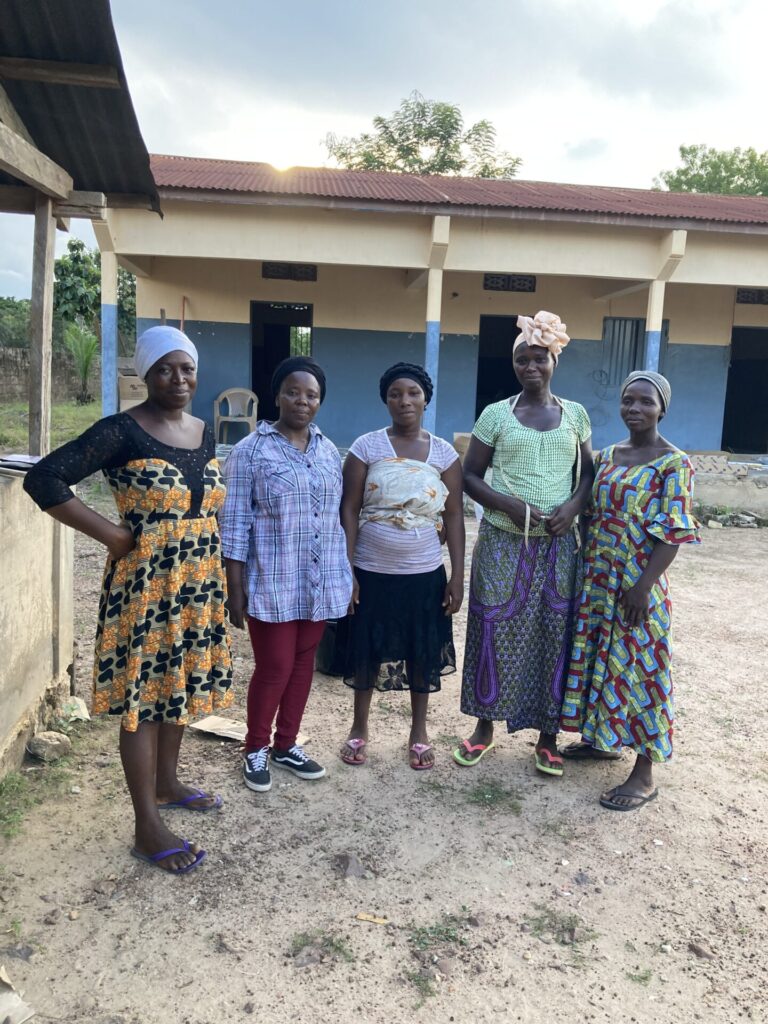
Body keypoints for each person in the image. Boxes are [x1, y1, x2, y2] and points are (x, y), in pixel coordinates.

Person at [24, 326, 232, 874]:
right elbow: (46, 478)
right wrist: (112, 536)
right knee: (144, 700)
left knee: (178, 685)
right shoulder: (121, 430)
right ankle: (146, 826)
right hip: (145, 590)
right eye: (165, 369)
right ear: (145, 374)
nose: (178, 379)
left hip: (198, 585)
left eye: (186, 368)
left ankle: (167, 784)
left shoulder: (203, 431)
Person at [455, 311, 594, 776]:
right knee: (492, 627)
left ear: (554, 361)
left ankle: (548, 737)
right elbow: (470, 476)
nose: (530, 367)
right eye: (522, 360)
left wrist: (572, 508)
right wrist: (507, 505)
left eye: (539, 358)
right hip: (503, 541)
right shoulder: (496, 414)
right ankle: (484, 727)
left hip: (558, 547)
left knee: (554, 633)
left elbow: (587, 475)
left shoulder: (575, 415)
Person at [560, 371, 700, 810]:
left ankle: (643, 774)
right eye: (628, 400)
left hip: (639, 584)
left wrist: (642, 587)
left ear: (662, 409)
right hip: (598, 582)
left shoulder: (674, 464)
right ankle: (602, 740)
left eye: (645, 402)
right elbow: (587, 513)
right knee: (600, 659)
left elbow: (673, 533)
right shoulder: (605, 457)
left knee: (641, 670)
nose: (634, 409)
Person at [221, 356, 351, 794]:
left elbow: (335, 519)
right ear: (277, 395)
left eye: (311, 395)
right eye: (293, 392)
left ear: (320, 402)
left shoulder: (328, 451)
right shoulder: (250, 452)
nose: (302, 401)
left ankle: (286, 745)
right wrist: (234, 589)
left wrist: (344, 575)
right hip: (272, 581)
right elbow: (234, 523)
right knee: (274, 666)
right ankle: (256, 747)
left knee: (302, 665)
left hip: (318, 581)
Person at [339, 362, 465, 770]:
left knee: (421, 650)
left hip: (424, 574)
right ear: (385, 400)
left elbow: (454, 517)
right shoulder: (366, 447)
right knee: (367, 647)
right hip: (371, 571)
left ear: (426, 398)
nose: (404, 401)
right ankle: (359, 728)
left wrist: (457, 576)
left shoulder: (444, 454)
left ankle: (419, 732)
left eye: (413, 393)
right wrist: (348, 571)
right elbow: (349, 509)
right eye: (395, 394)